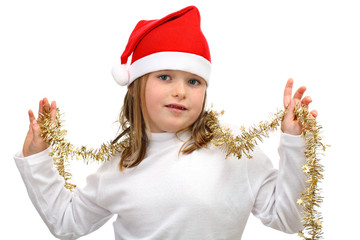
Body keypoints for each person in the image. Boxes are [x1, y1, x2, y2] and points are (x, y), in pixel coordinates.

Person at [15, 5, 318, 240]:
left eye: (194, 81)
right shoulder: (119, 167)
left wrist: (294, 142)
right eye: (164, 77)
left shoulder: (236, 155)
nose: (180, 91)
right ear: (137, 86)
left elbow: (290, 218)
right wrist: (36, 157)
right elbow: (67, 223)